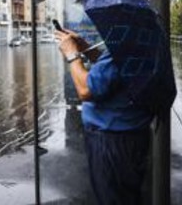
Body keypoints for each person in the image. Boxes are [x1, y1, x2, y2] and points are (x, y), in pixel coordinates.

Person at [55, 28, 153, 205]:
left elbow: (86, 90)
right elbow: (113, 67)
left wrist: (72, 54)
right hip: (131, 133)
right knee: (126, 195)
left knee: (112, 198)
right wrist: (85, 47)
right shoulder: (138, 37)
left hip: (113, 141)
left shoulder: (125, 43)